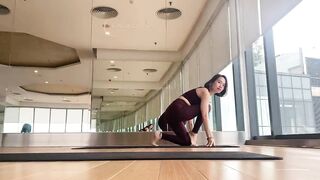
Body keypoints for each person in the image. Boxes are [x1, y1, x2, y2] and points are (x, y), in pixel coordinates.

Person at [152, 74, 228, 146]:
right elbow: (204, 115)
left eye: (223, 85)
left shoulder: (205, 96)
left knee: (187, 141)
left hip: (172, 115)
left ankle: (160, 135)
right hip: (177, 109)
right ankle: (194, 134)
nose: (221, 86)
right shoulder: (205, 92)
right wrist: (210, 137)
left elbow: (190, 117)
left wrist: (191, 136)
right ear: (212, 82)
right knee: (207, 108)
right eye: (219, 82)